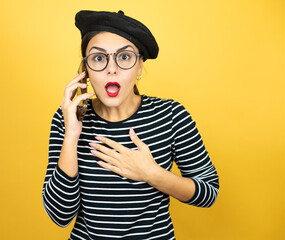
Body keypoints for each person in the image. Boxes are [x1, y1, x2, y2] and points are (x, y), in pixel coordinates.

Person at [42, 10, 219, 240]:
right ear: (85, 70)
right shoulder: (68, 118)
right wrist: (71, 135)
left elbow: (209, 193)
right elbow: (59, 215)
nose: (111, 68)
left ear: (139, 67)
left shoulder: (171, 115)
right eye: (98, 58)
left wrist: (152, 174)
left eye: (124, 57)